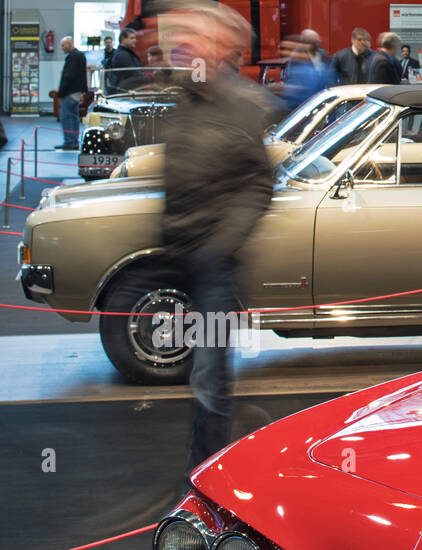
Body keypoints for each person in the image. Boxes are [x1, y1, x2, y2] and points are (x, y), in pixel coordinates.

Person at [160, 3, 273, 473]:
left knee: (209, 374)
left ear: (224, 49)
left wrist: (221, 243)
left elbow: (260, 183)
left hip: (214, 265)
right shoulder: (185, 97)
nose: (185, 42)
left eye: (197, 36)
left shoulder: (244, 104)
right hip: (182, 253)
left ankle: (204, 479)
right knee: (197, 370)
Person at [56, 37, 88, 150]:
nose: (62, 48)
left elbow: (68, 76)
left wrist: (60, 93)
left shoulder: (72, 57)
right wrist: (84, 91)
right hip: (77, 92)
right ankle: (74, 141)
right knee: (74, 116)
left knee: (66, 116)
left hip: (69, 92)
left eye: (63, 45)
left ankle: (70, 141)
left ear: (70, 44)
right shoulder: (80, 55)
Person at [106, 27, 145, 94]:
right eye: (132, 38)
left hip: (127, 92)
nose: (135, 40)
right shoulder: (122, 55)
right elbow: (133, 74)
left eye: (135, 38)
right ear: (123, 39)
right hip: (124, 94)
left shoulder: (126, 54)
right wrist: (150, 78)